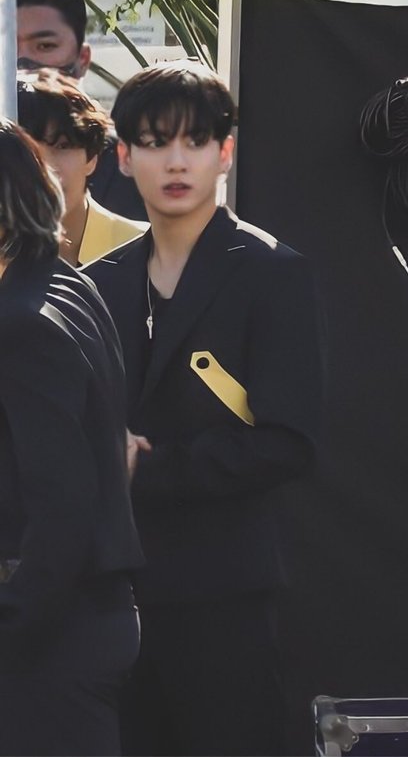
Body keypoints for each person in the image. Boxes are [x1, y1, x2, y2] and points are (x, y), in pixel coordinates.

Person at [84, 60, 325, 757]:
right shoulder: (98, 282)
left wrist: (145, 468)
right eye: (155, 141)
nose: (176, 160)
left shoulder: (273, 272)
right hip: (110, 595)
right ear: (123, 157)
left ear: (226, 151)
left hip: (226, 592)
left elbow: (289, 440)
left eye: (194, 140)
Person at [0, 117, 145, 757]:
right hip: (85, 617)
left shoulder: (21, 323)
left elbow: (62, 503)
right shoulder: (67, 283)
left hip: (48, 633)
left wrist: (14, 624)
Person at [16, 0, 148, 220]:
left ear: (83, 59)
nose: (22, 62)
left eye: (45, 46)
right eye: (6, 46)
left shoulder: (125, 166)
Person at [17, 68, 148, 266]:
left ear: (92, 158)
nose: (47, 167)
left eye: (62, 146)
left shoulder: (146, 249)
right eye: (26, 148)